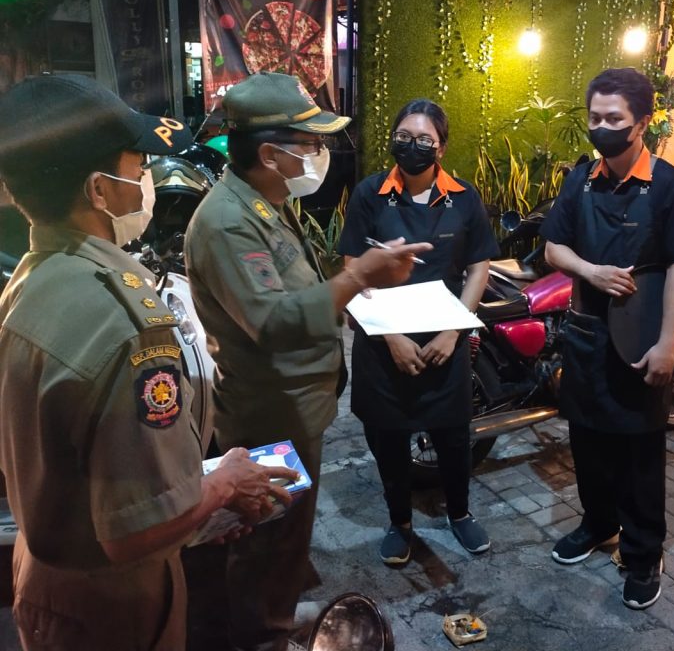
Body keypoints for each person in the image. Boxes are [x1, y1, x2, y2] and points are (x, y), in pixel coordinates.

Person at [0, 74, 298, 650]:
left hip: (45, 575)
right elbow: (136, 531)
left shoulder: (30, 282)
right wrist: (223, 485)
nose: (146, 181)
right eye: (138, 167)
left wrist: (190, 498)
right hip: (112, 604)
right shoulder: (127, 326)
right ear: (99, 190)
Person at [184, 73, 429, 650]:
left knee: (285, 535)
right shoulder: (228, 221)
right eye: (310, 143)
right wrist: (357, 277)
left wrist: (354, 282)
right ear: (271, 154)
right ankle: (262, 634)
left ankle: (274, 611)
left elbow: (293, 290)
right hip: (272, 410)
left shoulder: (266, 202)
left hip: (295, 403)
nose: (319, 154)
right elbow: (272, 321)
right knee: (267, 540)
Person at [540, 68, 674, 609]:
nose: (602, 128)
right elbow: (553, 249)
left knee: (639, 454)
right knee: (586, 441)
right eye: (595, 117)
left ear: (642, 122)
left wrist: (668, 345)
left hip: (641, 339)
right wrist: (590, 271)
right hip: (586, 334)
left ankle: (642, 552)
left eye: (614, 118)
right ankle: (597, 524)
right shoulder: (580, 180)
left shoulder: (669, 186)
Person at [337, 98, 498, 564]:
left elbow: (478, 267)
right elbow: (354, 269)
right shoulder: (370, 193)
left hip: (445, 340)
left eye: (424, 139)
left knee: (454, 436)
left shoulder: (463, 197)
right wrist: (391, 337)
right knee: (388, 438)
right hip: (383, 340)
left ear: (441, 147)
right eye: (404, 137)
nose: (412, 146)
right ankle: (400, 523)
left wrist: (453, 332)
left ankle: (460, 513)